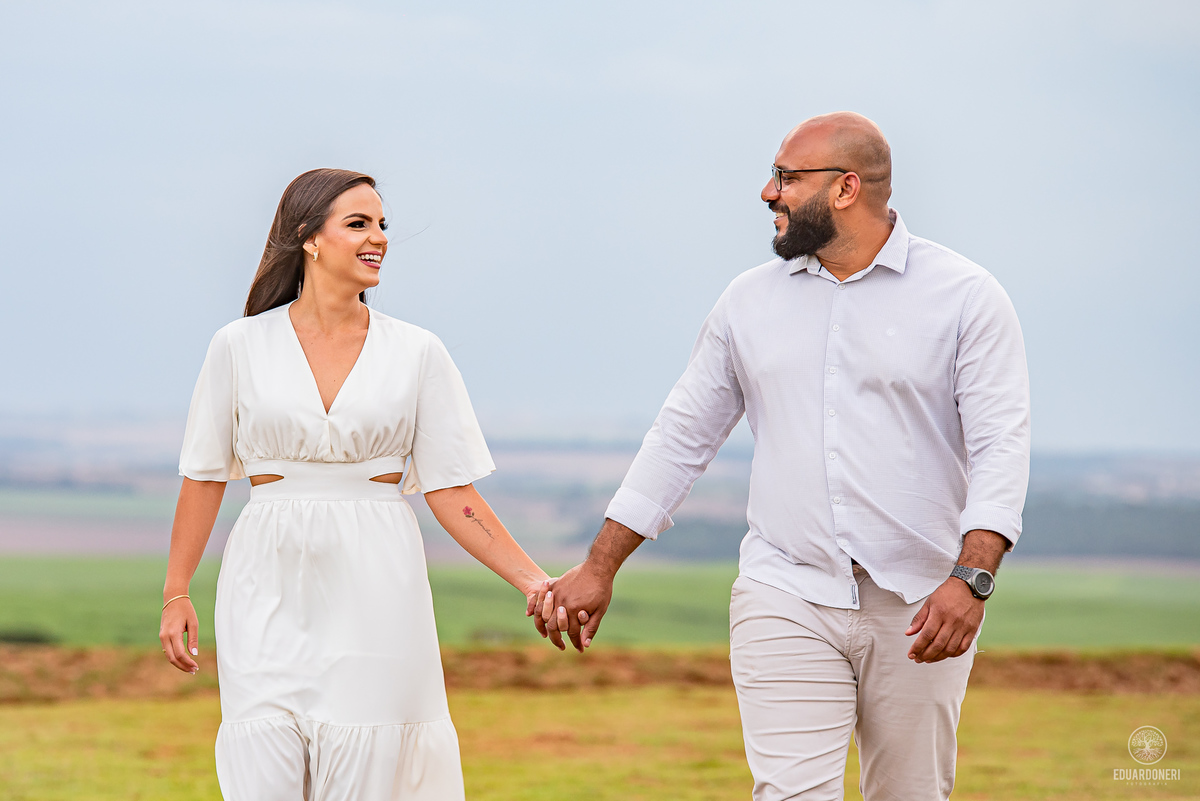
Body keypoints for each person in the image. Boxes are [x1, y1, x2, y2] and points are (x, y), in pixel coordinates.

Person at [535, 112, 1030, 800]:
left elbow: (1001, 443)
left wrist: (972, 578)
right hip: (784, 590)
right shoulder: (748, 301)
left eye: (787, 177)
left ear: (846, 188)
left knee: (911, 792)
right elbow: (681, 436)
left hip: (922, 602)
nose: (768, 192)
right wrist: (600, 564)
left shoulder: (967, 297)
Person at [159, 168, 550, 800]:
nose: (379, 239)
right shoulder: (238, 345)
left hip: (377, 586)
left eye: (382, 225)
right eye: (358, 224)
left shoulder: (418, 353)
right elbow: (203, 478)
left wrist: (535, 581)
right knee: (262, 768)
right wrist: (176, 593)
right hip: (265, 581)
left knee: (366, 769)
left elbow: (453, 492)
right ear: (309, 239)